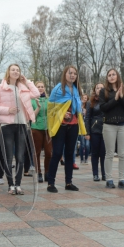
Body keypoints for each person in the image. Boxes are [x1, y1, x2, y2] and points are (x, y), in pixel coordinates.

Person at [0, 65, 39, 196]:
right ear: (8, 72)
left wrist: (27, 82)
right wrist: (8, 110)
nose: (16, 72)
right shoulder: (0, 88)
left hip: (22, 124)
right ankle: (10, 184)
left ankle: (18, 184)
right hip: (7, 125)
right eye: (13, 69)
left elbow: (36, 94)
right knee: (8, 156)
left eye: (18, 70)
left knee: (20, 156)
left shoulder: (23, 88)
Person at [47, 65, 86, 193]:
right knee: (57, 153)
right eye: (70, 73)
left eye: (75, 73)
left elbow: (77, 109)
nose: (73, 75)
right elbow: (51, 110)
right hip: (60, 126)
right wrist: (62, 114)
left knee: (70, 154)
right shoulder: (57, 89)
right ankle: (50, 183)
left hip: (73, 125)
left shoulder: (76, 90)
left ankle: (68, 182)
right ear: (65, 74)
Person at [100, 69, 124, 190]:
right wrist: (116, 99)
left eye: (114, 74)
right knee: (109, 153)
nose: (112, 76)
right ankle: (109, 179)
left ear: (117, 76)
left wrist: (122, 96)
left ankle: (122, 179)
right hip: (109, 125)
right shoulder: (104, 91)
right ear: (107, 78)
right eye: (109, 75)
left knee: (123, 153)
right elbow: (103, 108)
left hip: (123, 124)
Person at [30, 82, 52, 185]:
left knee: (48, 152)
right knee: (37, 152)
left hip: (48, 129)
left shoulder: (48, 100)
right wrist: (38, 105)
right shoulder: (32, 100)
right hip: (36, 128)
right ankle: (38, 172)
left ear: (44, 88)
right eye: (38, 87)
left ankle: (47, 171)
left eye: (42, 87)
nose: (40, 88)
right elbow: (31, 115)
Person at [85, 84, 107, 183]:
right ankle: (95, 174)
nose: (99, 89)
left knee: (104, 153)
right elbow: (87, 118)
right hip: (95, 130)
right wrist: (87, 132)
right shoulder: (90, 102)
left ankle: (104, 173)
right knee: (95, 153)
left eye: (101, 88)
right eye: (97, 88)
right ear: (95, 90)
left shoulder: (107, 100)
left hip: (106, 129)